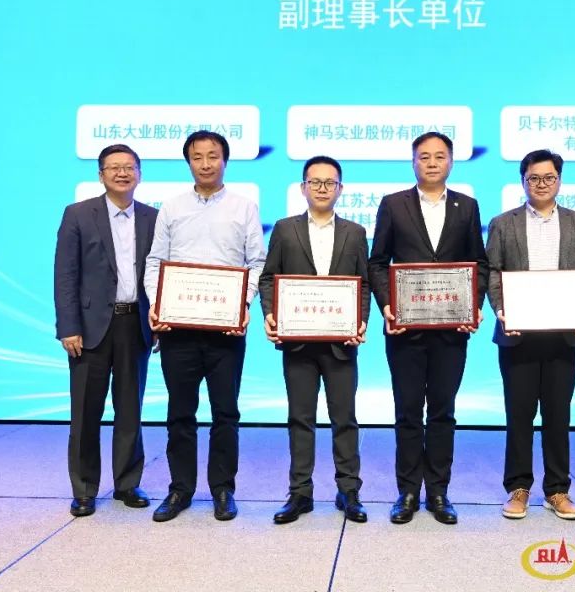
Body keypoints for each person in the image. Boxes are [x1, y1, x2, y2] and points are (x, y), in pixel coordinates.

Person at [144, 131, 266, 523]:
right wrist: (157, 304)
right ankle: (180, 489)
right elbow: (156, 260)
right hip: (178, 329)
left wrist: (242, 304)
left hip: (225, 331)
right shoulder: (172, 207)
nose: (206, 163)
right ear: (188, 162)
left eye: (213, 156)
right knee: (180, 412)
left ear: (225, 161)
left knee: (225, 413)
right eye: (198, 157)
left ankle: (223, 489)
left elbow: (257, 262)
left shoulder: (244, 207)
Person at [368, 131, 489, 525]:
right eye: (424, 156)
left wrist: (473, 305)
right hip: (405, 330)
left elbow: (479, 263)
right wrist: (388, 306)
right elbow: (377, 262)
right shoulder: (393, 204)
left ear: (451, 162)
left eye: (439, 156)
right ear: (413, 162)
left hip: (451, 330)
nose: (432, 162)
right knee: (407, 412)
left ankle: (438, 492)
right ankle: (407, 492)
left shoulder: (466, 206)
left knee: (442, 411)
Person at [259, 156, 371, 524]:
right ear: (303, 187)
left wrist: (360, 321)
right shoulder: (284, 229)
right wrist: (271, 313)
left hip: (341, 343)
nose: (322, 188)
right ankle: (300, 493)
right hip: (299, 343)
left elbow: (363, 284)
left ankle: (349, 491)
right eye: (315, 182)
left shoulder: (355, 232)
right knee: (300, 419)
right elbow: (268, 278)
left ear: (340, 189)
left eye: (330, 182)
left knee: (345, 419)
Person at [486, 149, 575, 522]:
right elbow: (494, 272)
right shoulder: (504, 223)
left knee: (557, 415)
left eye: (549, 177)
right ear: (523, 181)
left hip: (564, 334)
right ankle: (518, 488)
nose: (542, 184)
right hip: (518, 334)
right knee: (518, 415)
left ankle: (557, 490)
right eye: (534, 178)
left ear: (559, 180)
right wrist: (502, 311)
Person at [54, 144, 157, 517]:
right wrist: (68, 326)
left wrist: (160, 320)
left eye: (129, 167)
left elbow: (161, 273)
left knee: (130, 409)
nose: (122, 173)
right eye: (114, 167)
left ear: (139, 174)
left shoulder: (153, 218)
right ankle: (84, 489)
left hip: (135, 323)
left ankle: (127, 483)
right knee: (85, 412)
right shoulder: (78, 214)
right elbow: (65, 274)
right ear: (101, 175)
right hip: (89, 327)